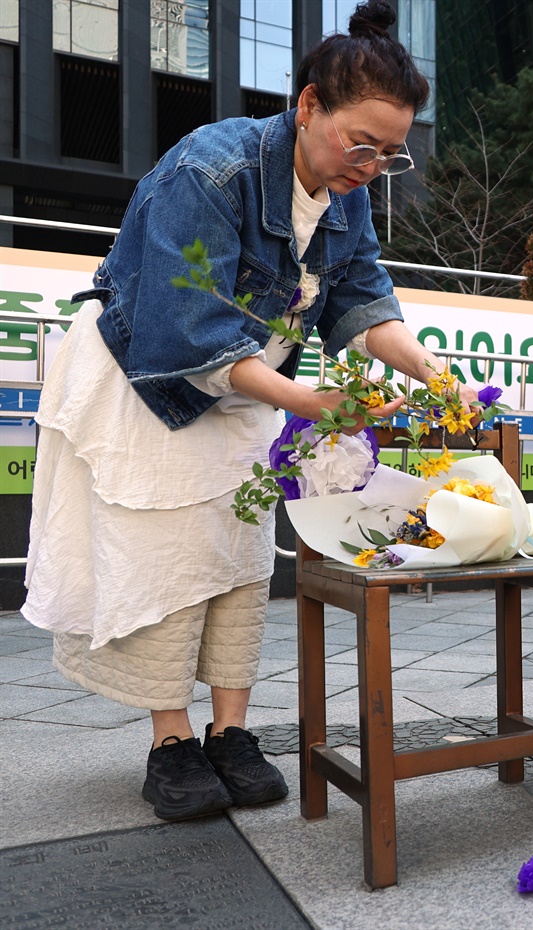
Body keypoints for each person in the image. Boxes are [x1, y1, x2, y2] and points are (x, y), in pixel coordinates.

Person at [21, 1, 473, 822]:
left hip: (252, 382)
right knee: (167, 549)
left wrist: (432, 370)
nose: (369, 165)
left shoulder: (348, 192)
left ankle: (231, 731)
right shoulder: (212, 166)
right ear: (307, 107)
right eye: (358, 143)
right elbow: (189, 329)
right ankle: (170, 740)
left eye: (389, 153)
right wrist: (309, 401)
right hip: (149, 377)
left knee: (238, 551)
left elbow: (367, 298)